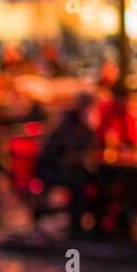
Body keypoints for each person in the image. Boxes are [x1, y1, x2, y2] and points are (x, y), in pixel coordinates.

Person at [35, 91, 95, 234]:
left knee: (92, 179)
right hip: (50, 169)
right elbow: (71, 145)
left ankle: (91, 224)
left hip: (64, 168)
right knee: (79, 184)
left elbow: (89, 143)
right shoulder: (67, 121)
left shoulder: (78, 121)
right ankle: (76, 227)